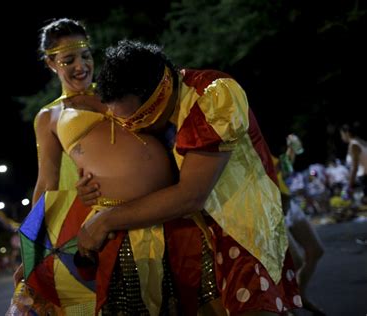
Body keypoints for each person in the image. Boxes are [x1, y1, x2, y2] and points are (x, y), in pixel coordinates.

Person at [76, 40, 301, 315]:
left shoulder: (214, 95)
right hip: (196, 240)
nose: (130, 130)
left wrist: (106, 220)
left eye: (134, 120)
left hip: (243, 235)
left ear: (158, 96)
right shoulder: (161, 111)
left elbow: (191, 195)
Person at [13, 18, 179, 315]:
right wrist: (31, 250)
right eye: (68, 60)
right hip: (115, 225)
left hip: (171, 206)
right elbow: (47, 184)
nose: (81, 65)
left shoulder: (115, 87)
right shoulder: (48, 117)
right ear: (51, 64)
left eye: (86, 56)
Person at [273, 135, 325, 315]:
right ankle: (284, 306)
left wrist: (292, 149)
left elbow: (283, 169)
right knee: (294, 261)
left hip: (289, 203)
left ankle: (299, 295)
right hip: (274, 208)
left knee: (315, 250)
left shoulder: (263, 144)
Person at [340, 122, 367, 205]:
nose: (341, 137)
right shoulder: (361, 142)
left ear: (347, 133)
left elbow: (354, 168)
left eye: (342, 134)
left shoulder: (354, 145)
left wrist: (349, 186)